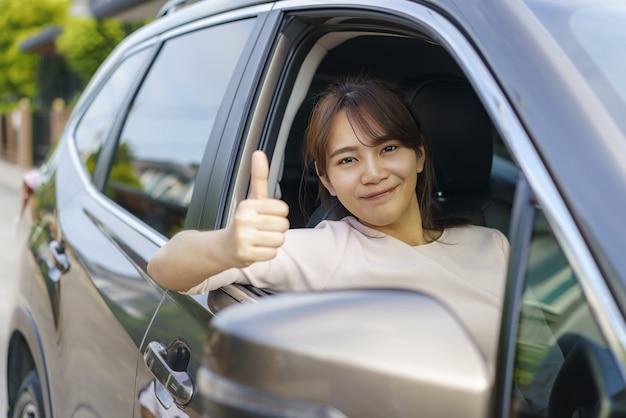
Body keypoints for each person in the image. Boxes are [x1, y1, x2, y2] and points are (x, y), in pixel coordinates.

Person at [148, 77, 509, 373]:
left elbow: (539, 374)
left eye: (388, 149)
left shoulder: (493, 245)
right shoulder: (329, 251)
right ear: (328, 179)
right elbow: (164, 267)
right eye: (348, 159)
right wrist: (226, 245)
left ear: (419, 154)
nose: (373, 174)